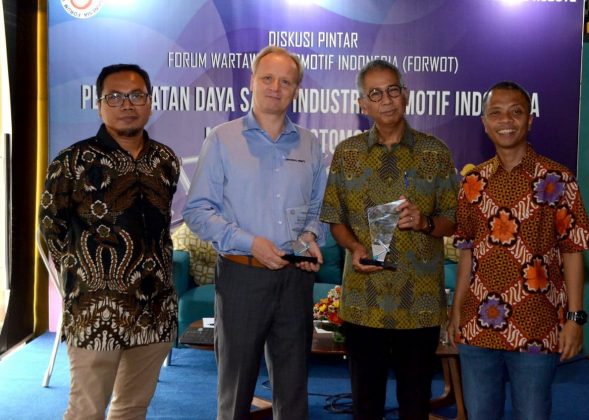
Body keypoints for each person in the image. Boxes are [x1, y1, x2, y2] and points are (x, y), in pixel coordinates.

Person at [182, 45, 327, 420]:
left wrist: (310, 237)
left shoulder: (310, 143)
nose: (275, 88)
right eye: (268, 78)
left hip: (295, 280)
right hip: (242, 276)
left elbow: (318, 208)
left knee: (293, 393)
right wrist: (250, 243)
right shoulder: (222, 138)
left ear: (296, 90)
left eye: (286, 81)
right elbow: (197, 211)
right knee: (236, 392)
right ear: (252, 82)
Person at [447, 81, 589, 420]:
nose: (506, 120)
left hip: (536, 325)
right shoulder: (472, 183)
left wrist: (575, 318)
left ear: (529, 120)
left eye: (516, 112)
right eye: (496, 113)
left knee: (532, 415)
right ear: (485, 123)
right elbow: (467, 252)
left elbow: (573, 250)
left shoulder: (558, 179)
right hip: (477, 325)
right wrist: (456, 310)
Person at [320, 59, 459, 419]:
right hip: (364, 301)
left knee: (415, 405)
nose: (386, 100)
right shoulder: (347, 154)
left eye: (392, 90)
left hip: (420, 304)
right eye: (375, 94)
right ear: (362, 104)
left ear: (405, 95)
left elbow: (452, 220)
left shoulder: (435, 152)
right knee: (366, 406)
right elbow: (334, 218)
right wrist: (354, 247)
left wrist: (426, 222)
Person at [39, 64, 180, 419]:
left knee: (132, 408)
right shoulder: (71, 162)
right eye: (114, 97)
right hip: (95, 313)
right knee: (86, 411)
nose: (127, 105)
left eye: (136, 96)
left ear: (150, 102)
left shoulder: (165, 160)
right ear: (99, 104)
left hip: (155, 310)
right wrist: (86, 278)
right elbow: (51, 228)